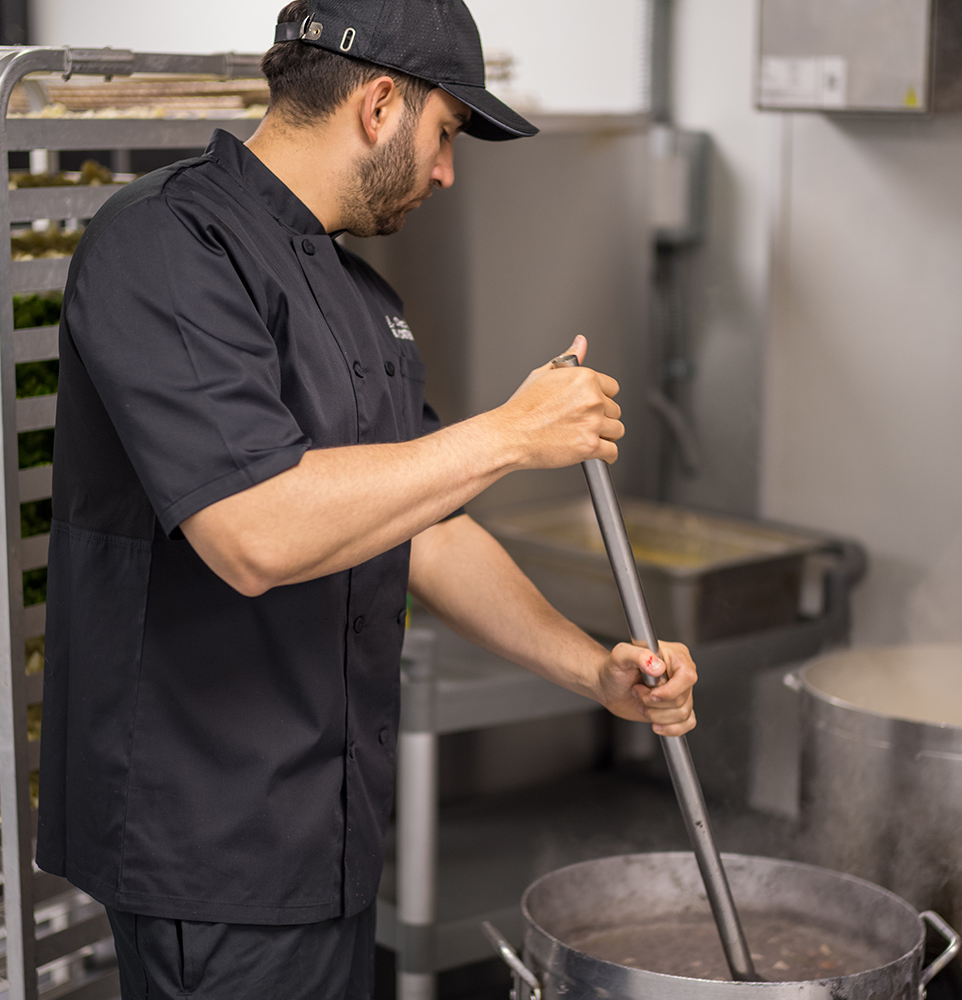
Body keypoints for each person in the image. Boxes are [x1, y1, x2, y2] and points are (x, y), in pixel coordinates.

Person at [36, 1, 699, 997]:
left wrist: (593, 671)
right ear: (380, 103)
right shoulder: (165, 245)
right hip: (210, 837)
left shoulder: (362, 298)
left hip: (329, 829)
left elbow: (428, 528)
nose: (445, 171)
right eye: (447, 133)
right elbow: (254, 531)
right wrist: (511, 434)